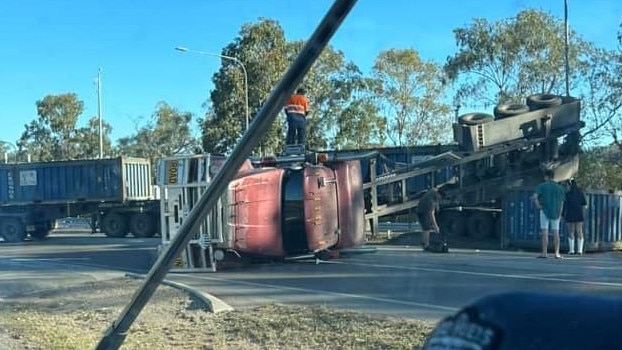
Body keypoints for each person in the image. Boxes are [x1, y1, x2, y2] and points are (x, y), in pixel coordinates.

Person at [532, 169, 566, 259]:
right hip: (556, 212)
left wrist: (538, 206)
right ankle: (557, 253)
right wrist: (560, 213)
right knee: (556, 233)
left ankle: (544, 253)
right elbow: (562, 202)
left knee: (544, 233)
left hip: (544, 211)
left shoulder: (541, 186)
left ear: (546, 176)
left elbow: (535, 197)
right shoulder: (560, 188)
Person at [562, 179, 587, 255]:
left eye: (567, 185)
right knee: (579, 231)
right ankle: (580, 250)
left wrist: (562, 215)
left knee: (571, 232)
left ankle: (571, 250)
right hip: (579, 214)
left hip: (570, 214)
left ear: (570, 185)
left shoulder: (567, 194)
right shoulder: (580, 193)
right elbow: (584, 204)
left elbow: (565, 206)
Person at [416, 186, 443, 251]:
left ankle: (423, 242)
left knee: (426, 227)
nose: (440, 198)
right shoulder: (431, 201)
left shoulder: (434, 191)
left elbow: (437, 199)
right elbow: (431, 214)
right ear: (438, 194)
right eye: (440, 197)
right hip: (422, 212)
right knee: (426, 228)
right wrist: (436, 226)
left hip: (422, 209)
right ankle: (426, 246)